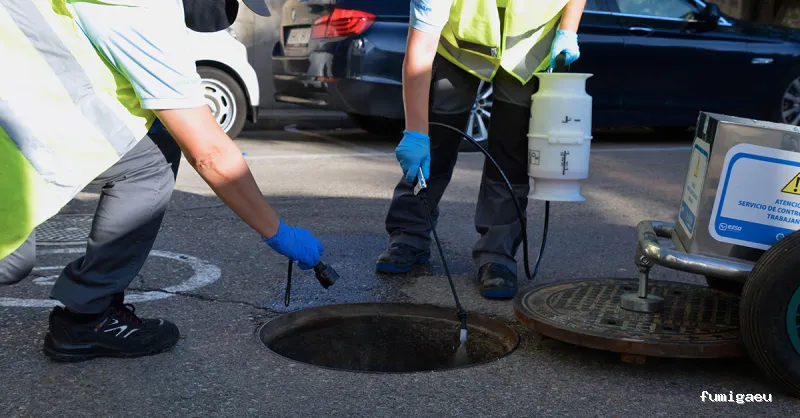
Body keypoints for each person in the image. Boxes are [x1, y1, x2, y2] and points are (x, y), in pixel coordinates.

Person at [0, 0, 323, 361]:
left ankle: (89, 316)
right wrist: (277, 231)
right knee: (9, 259)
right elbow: (209, 153)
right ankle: (87, 318)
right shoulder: (146, 11)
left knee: (148, 154)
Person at [376, 0, 586, 300]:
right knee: (436, 136)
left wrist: (568, 30)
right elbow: (420, 51)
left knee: (510, 152)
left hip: (528, 47)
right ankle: (409, 233)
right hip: (458, 48)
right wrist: (415, 132)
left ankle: (497, 254)